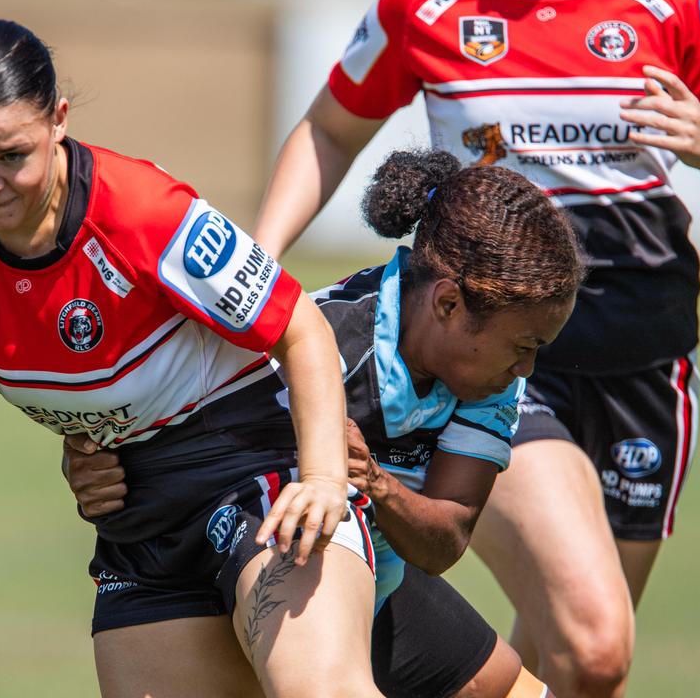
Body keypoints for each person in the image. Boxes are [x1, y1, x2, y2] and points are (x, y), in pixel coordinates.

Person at [0, 19, 387, 698]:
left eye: (11, 156)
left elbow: (300, 328)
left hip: (255, 472)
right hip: (137, 515)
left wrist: (324, 480)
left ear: (58, 121)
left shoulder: (143, 214)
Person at [251, 0, 700, 696]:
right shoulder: (425, 4)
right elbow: (328, 130)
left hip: (646, 364)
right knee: (596, 642)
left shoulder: (673, 1)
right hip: (499, 364)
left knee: (576, 665)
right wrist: (254, 270)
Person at [65, 148, 586, 698]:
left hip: (377, 578)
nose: (527, 367)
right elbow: (164, 403)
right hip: (258, 578)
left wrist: (374, 482)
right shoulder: (320, 343)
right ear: (449, 304)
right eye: (524, 345)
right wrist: (93, 456)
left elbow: (445, 540)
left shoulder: (495, 381)